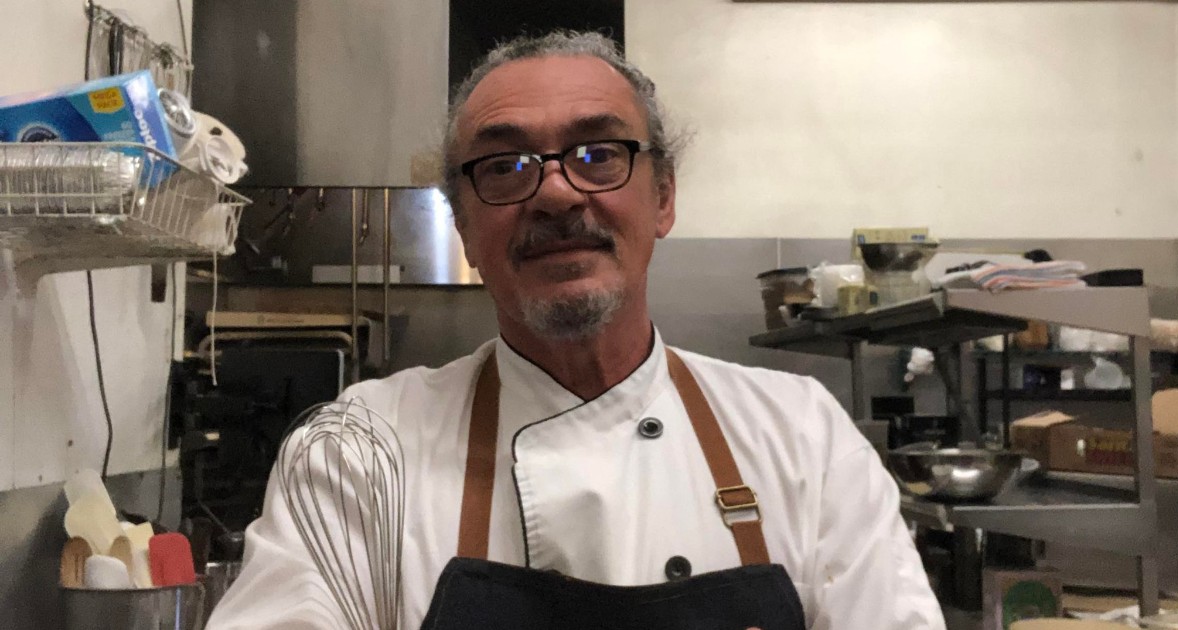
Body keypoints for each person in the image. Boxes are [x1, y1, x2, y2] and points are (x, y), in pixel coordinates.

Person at [208, 31, 945, 630]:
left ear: (663, 197)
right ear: (464, 228)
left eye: (598, 155)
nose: (557, 192)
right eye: (505, 165)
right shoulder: (361, 454)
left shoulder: (804, 439)